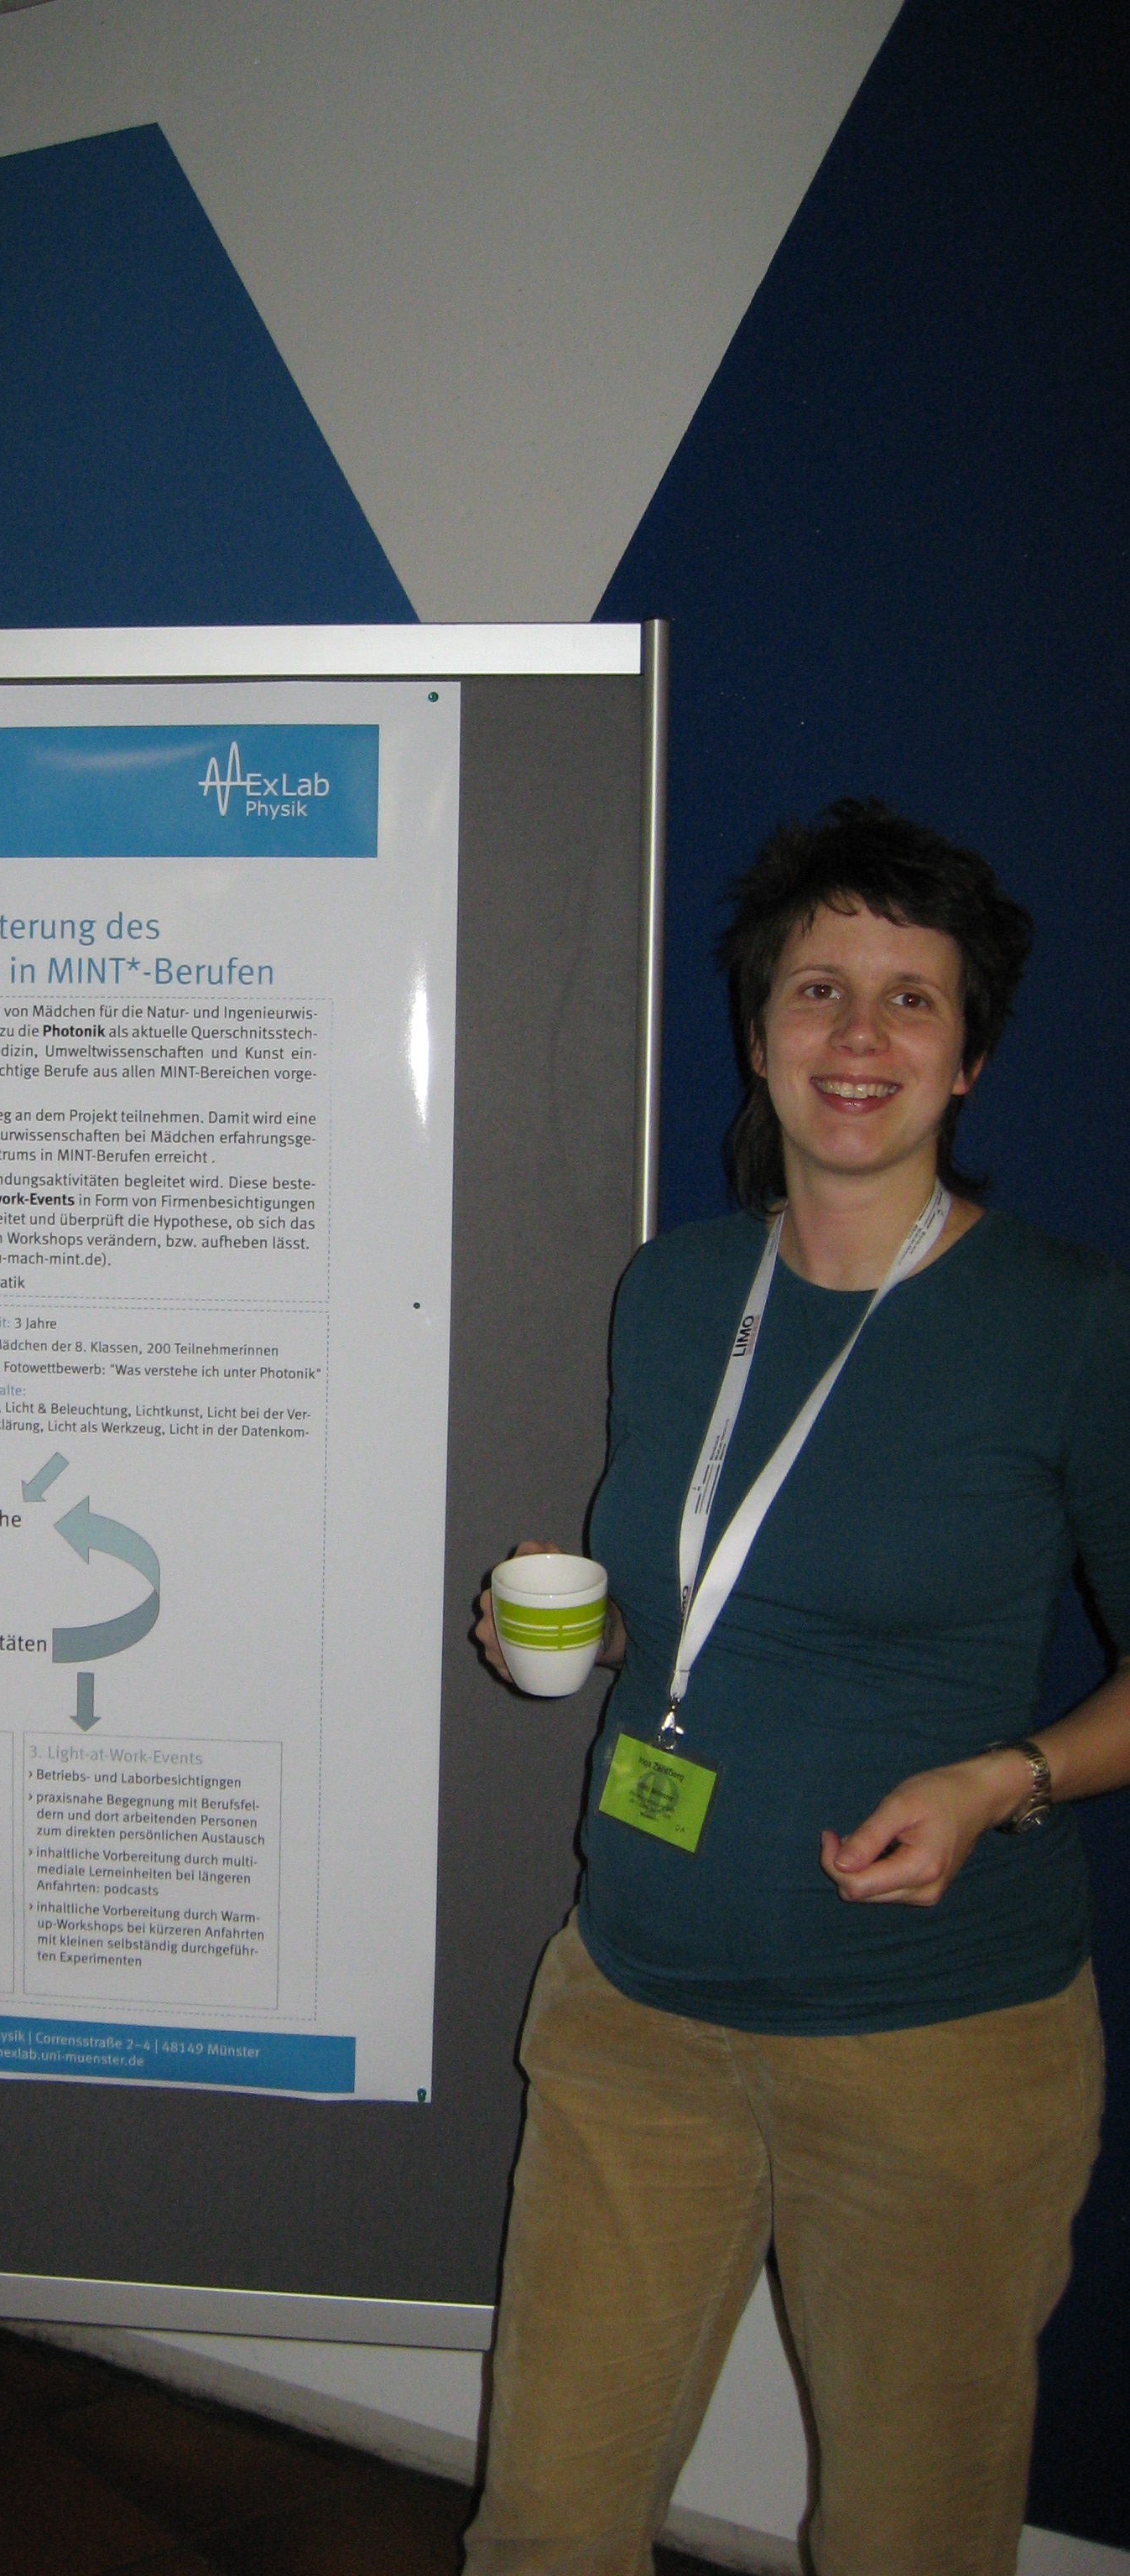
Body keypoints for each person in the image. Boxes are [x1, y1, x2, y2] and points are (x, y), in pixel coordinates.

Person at [461, 800, 1130, 2576]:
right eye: (819, 989)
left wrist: (1005, 1780)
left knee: (910, 2544)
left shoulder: (1067, 1319)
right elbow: (693, 1605)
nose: (859, 1035)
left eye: (913, 999)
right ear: (758, 1034)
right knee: (542, 2533)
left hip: (935, 2049)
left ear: (969, 1059)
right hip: (634, 2009)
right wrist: (574, 1632)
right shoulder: (679, 1290)